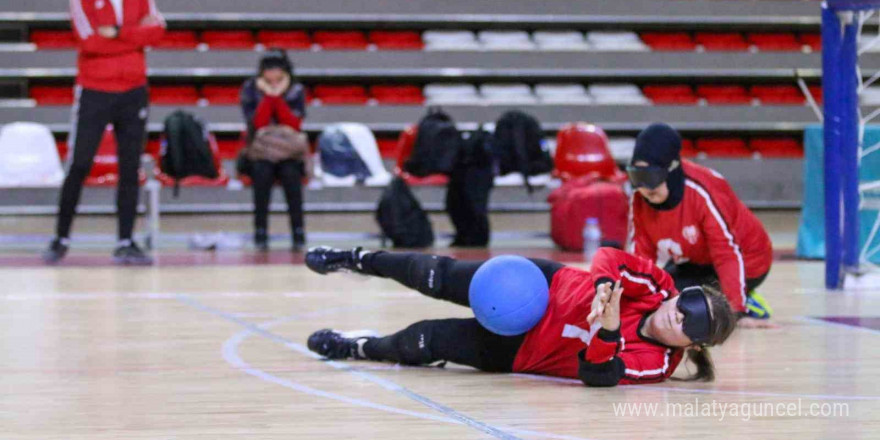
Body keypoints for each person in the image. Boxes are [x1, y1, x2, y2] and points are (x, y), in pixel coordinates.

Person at [303, 246, 736, 387]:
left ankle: (358, 347)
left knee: (425, 341)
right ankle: (358, 259)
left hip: (522, 348)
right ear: (678, 295)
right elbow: (608, 256)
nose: (678, 317)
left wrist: (606, 329)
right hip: (537, 286)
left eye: (691, 326)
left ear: (693, 346)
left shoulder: (659, 364)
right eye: (685, 306)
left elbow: (598, 374)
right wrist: (604, 289)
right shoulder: (659, 286)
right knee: (436, 274)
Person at [43, 0, 166, 265]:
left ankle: (125, 241)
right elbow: (89, 42)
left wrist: (118, 31)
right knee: (80, 164)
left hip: (134, 91)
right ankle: (61, 238)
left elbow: (158, 32)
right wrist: (135, 35)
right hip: (94, 91)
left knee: (130, 166)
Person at [626, 123, 775, 328]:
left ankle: (748, 303)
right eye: (637, 177)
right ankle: (724, 295)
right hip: (698, 259)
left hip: (749, 259)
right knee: (662, 295)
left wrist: (735, 311)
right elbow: (641, 256)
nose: (644, 188)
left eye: (651, 177)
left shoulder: (704, 192)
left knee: (688, 305)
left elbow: (727, 253)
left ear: (671, 170)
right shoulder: (639, 198)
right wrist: (633, 304)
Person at [240, 50, 308, 251]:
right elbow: (257, 122)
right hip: (261, 151)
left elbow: (294, 123)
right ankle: (260, 231)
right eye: (268, 69)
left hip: (289, 151)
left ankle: (298, 231)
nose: (272, 74)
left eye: (277, 69)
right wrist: (269, 97)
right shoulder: (250, 89)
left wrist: (277, 97)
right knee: (262, 173)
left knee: (291, 174)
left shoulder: (296, 90)